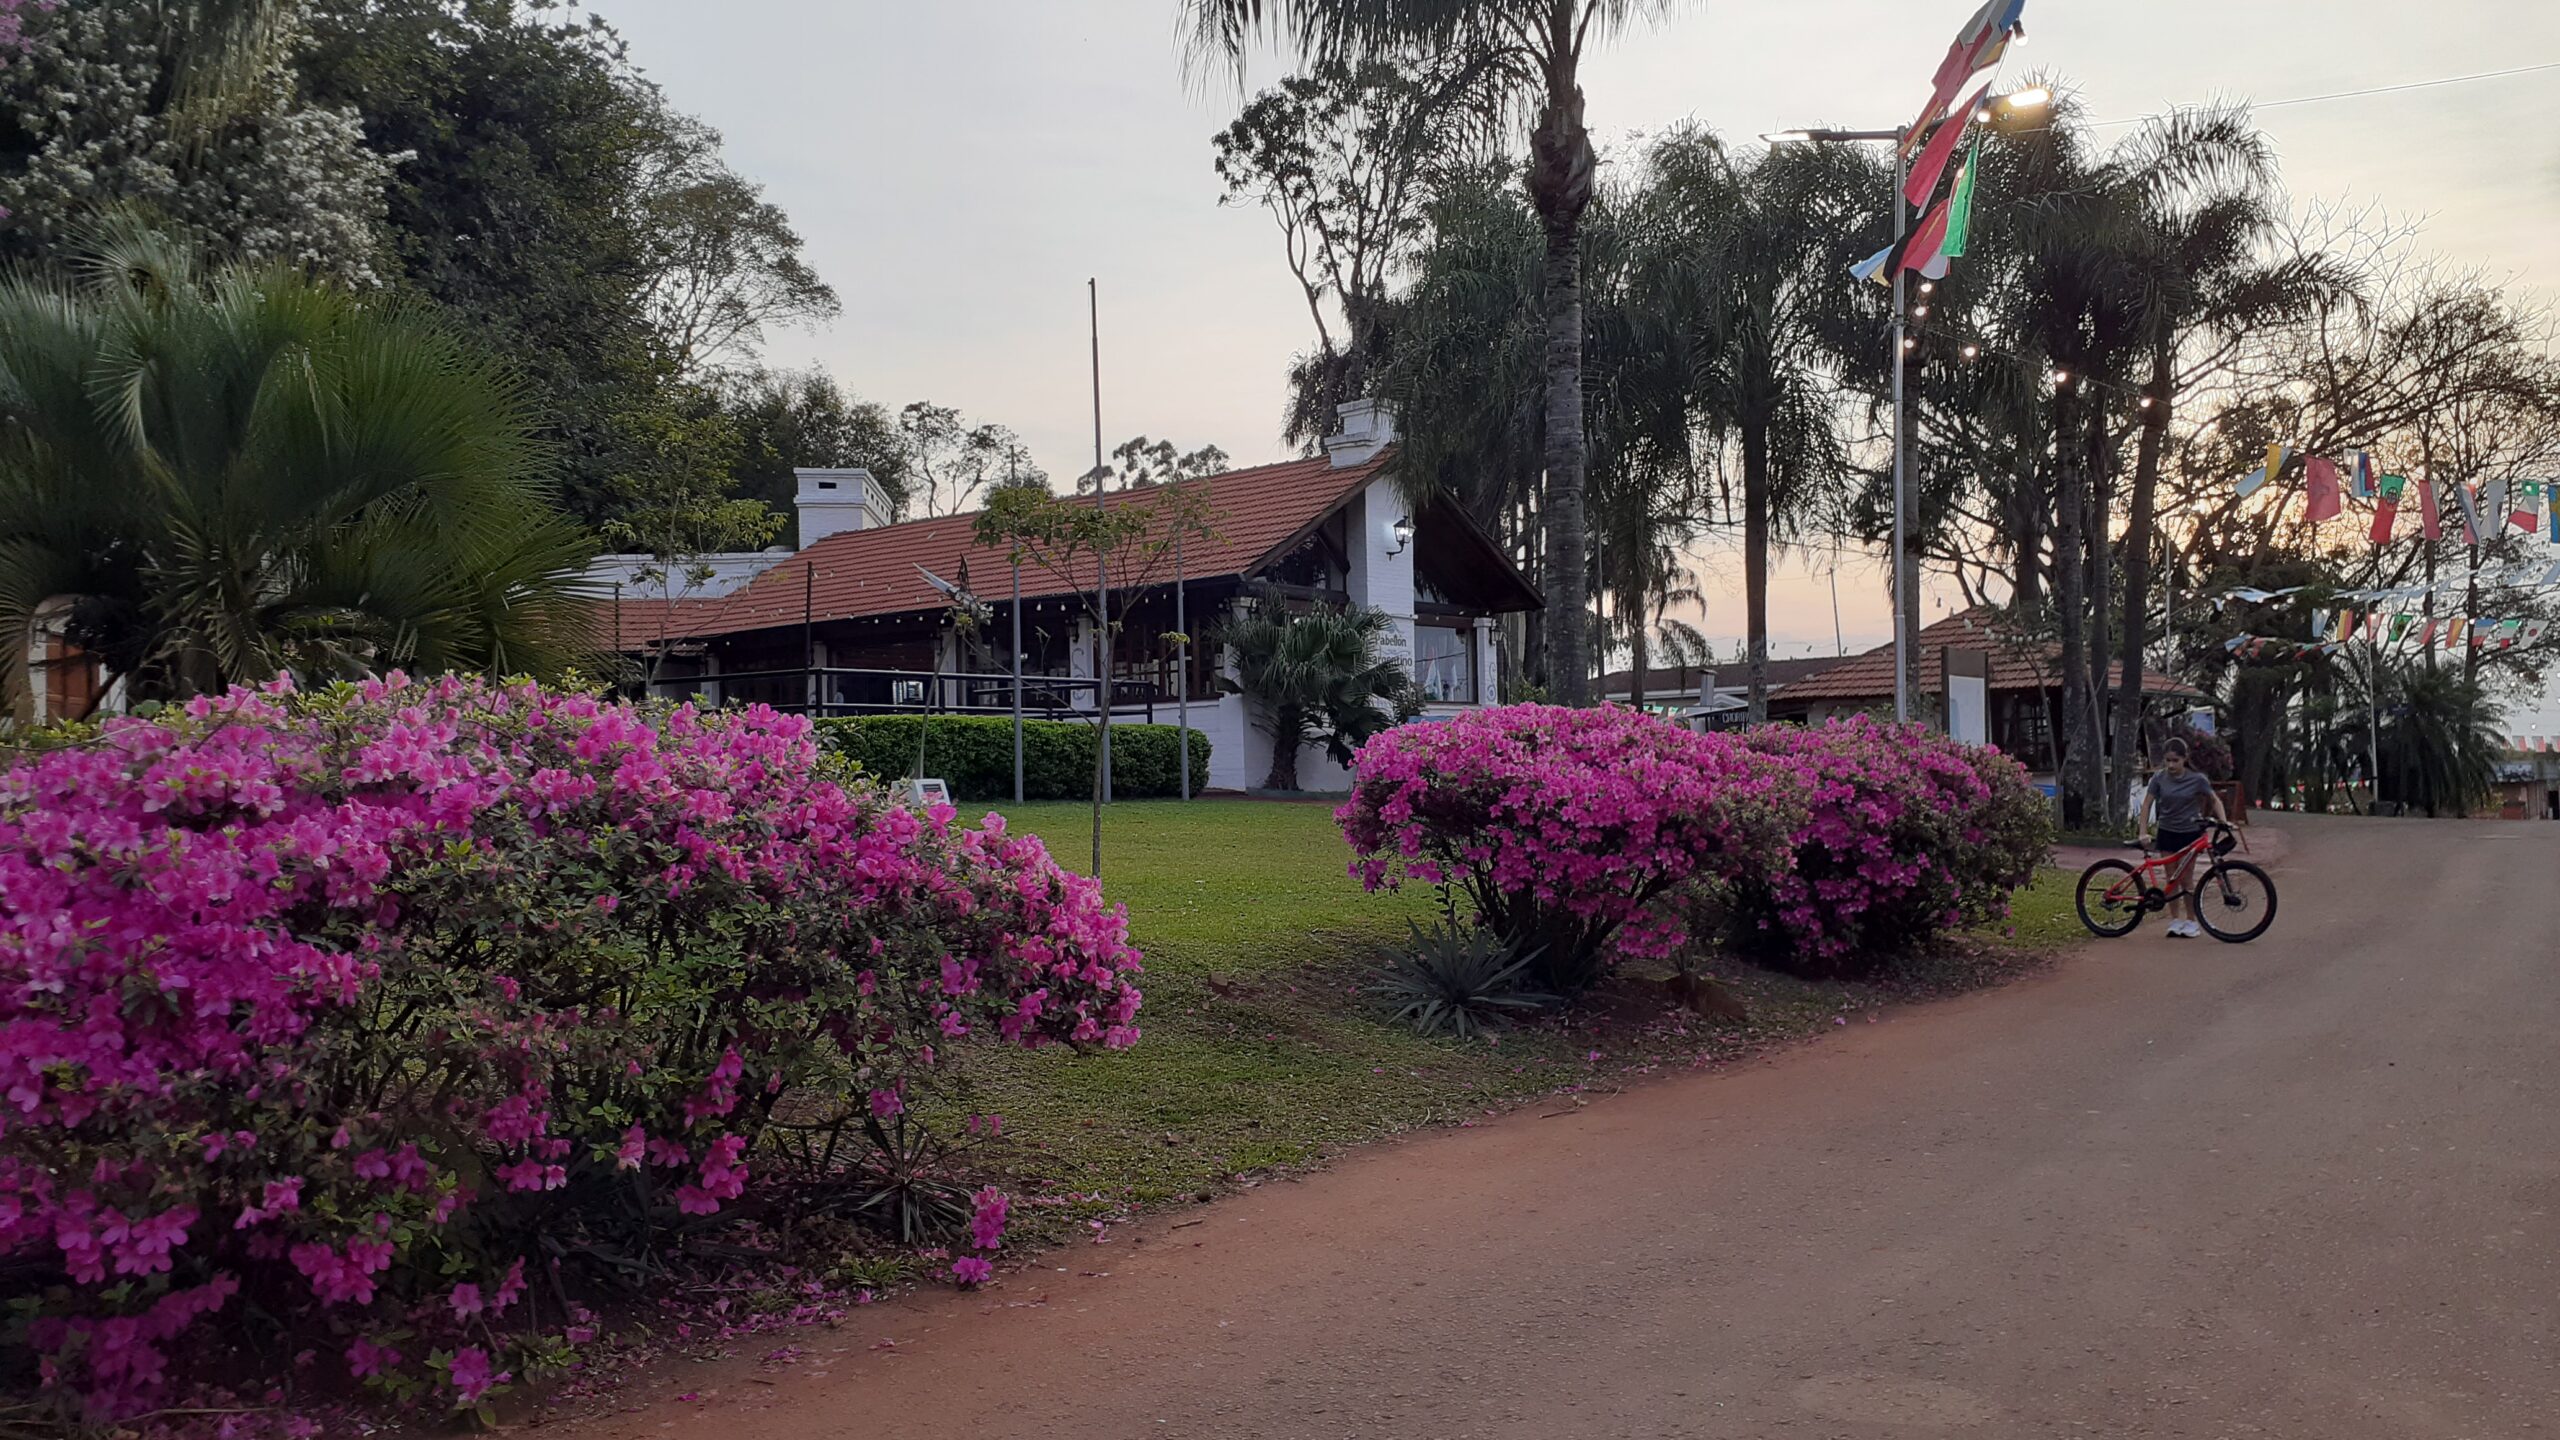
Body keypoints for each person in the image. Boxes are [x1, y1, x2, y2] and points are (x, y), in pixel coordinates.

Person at [2138, 737, 2230, 938]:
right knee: (2171, 878)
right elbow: (2146, 805)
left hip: (2189, 833)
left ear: (2185, 759)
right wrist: (2143, 831)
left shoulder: (2197, 779)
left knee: (2187, 879)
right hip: (2167, 832)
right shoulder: (2159, 779)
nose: (2171, 765)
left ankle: (2191, 921)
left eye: (2175, 760)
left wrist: (2223, 822)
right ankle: (2174, 920)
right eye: (2167, 760)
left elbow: (2214, 800)